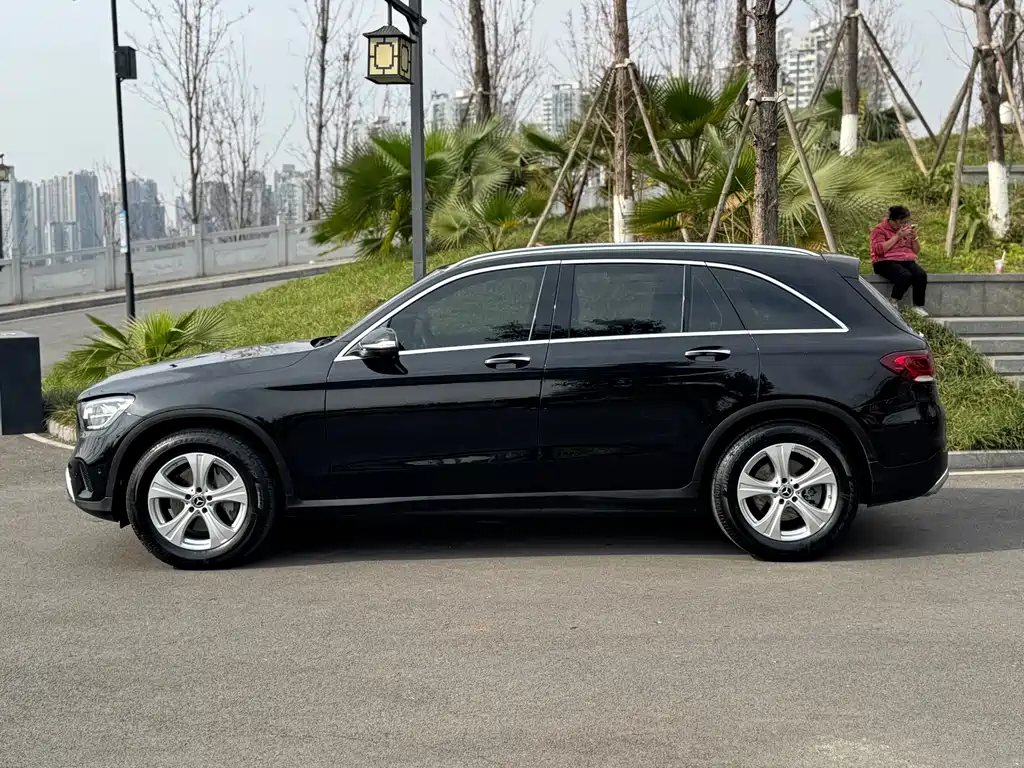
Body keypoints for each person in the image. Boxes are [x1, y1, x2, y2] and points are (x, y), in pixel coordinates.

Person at [870, 205, 928, 317]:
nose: (905, 225)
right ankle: (893, 301)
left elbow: (915, 251)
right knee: (904, 275)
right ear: (894, 221)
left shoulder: (905, 230)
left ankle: (918, 306)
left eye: (906, 222)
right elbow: (879, 250)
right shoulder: (879, 230)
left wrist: (914, 238)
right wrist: (897, 236)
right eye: (902, 222)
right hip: (884, 261)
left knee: (920, 274)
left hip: (905, 259)